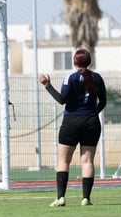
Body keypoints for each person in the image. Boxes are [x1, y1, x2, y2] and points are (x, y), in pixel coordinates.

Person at [38, 48, 106, 206]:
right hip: (91, 121)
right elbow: (103, 102)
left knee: (63, 161)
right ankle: (85, 198)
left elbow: (62, 100)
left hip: (71, 121)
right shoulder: (97, 78)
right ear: (89, 61)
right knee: (87, 161)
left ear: (74, 62)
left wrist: (47, 85)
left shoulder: (70, 77)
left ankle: (61, 197)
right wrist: (91, 113)